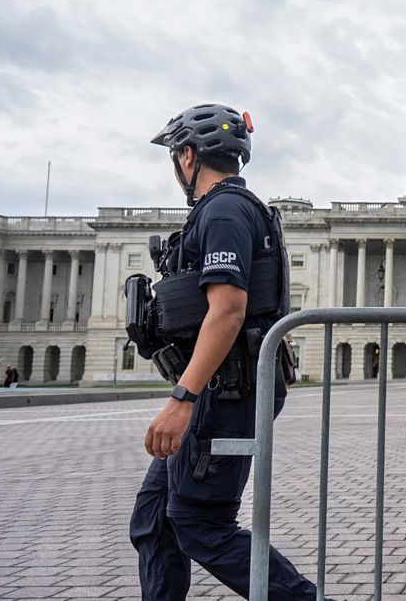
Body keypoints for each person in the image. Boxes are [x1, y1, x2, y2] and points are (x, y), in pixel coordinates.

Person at [128, 104, 326, 600]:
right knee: (155, 519)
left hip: (224, 393)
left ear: (188, 156)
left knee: (201, 524)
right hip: (221, 387)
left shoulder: (224, 212)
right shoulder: (226, 210)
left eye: (175, 157)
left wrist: (182, 398)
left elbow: (228, 310)